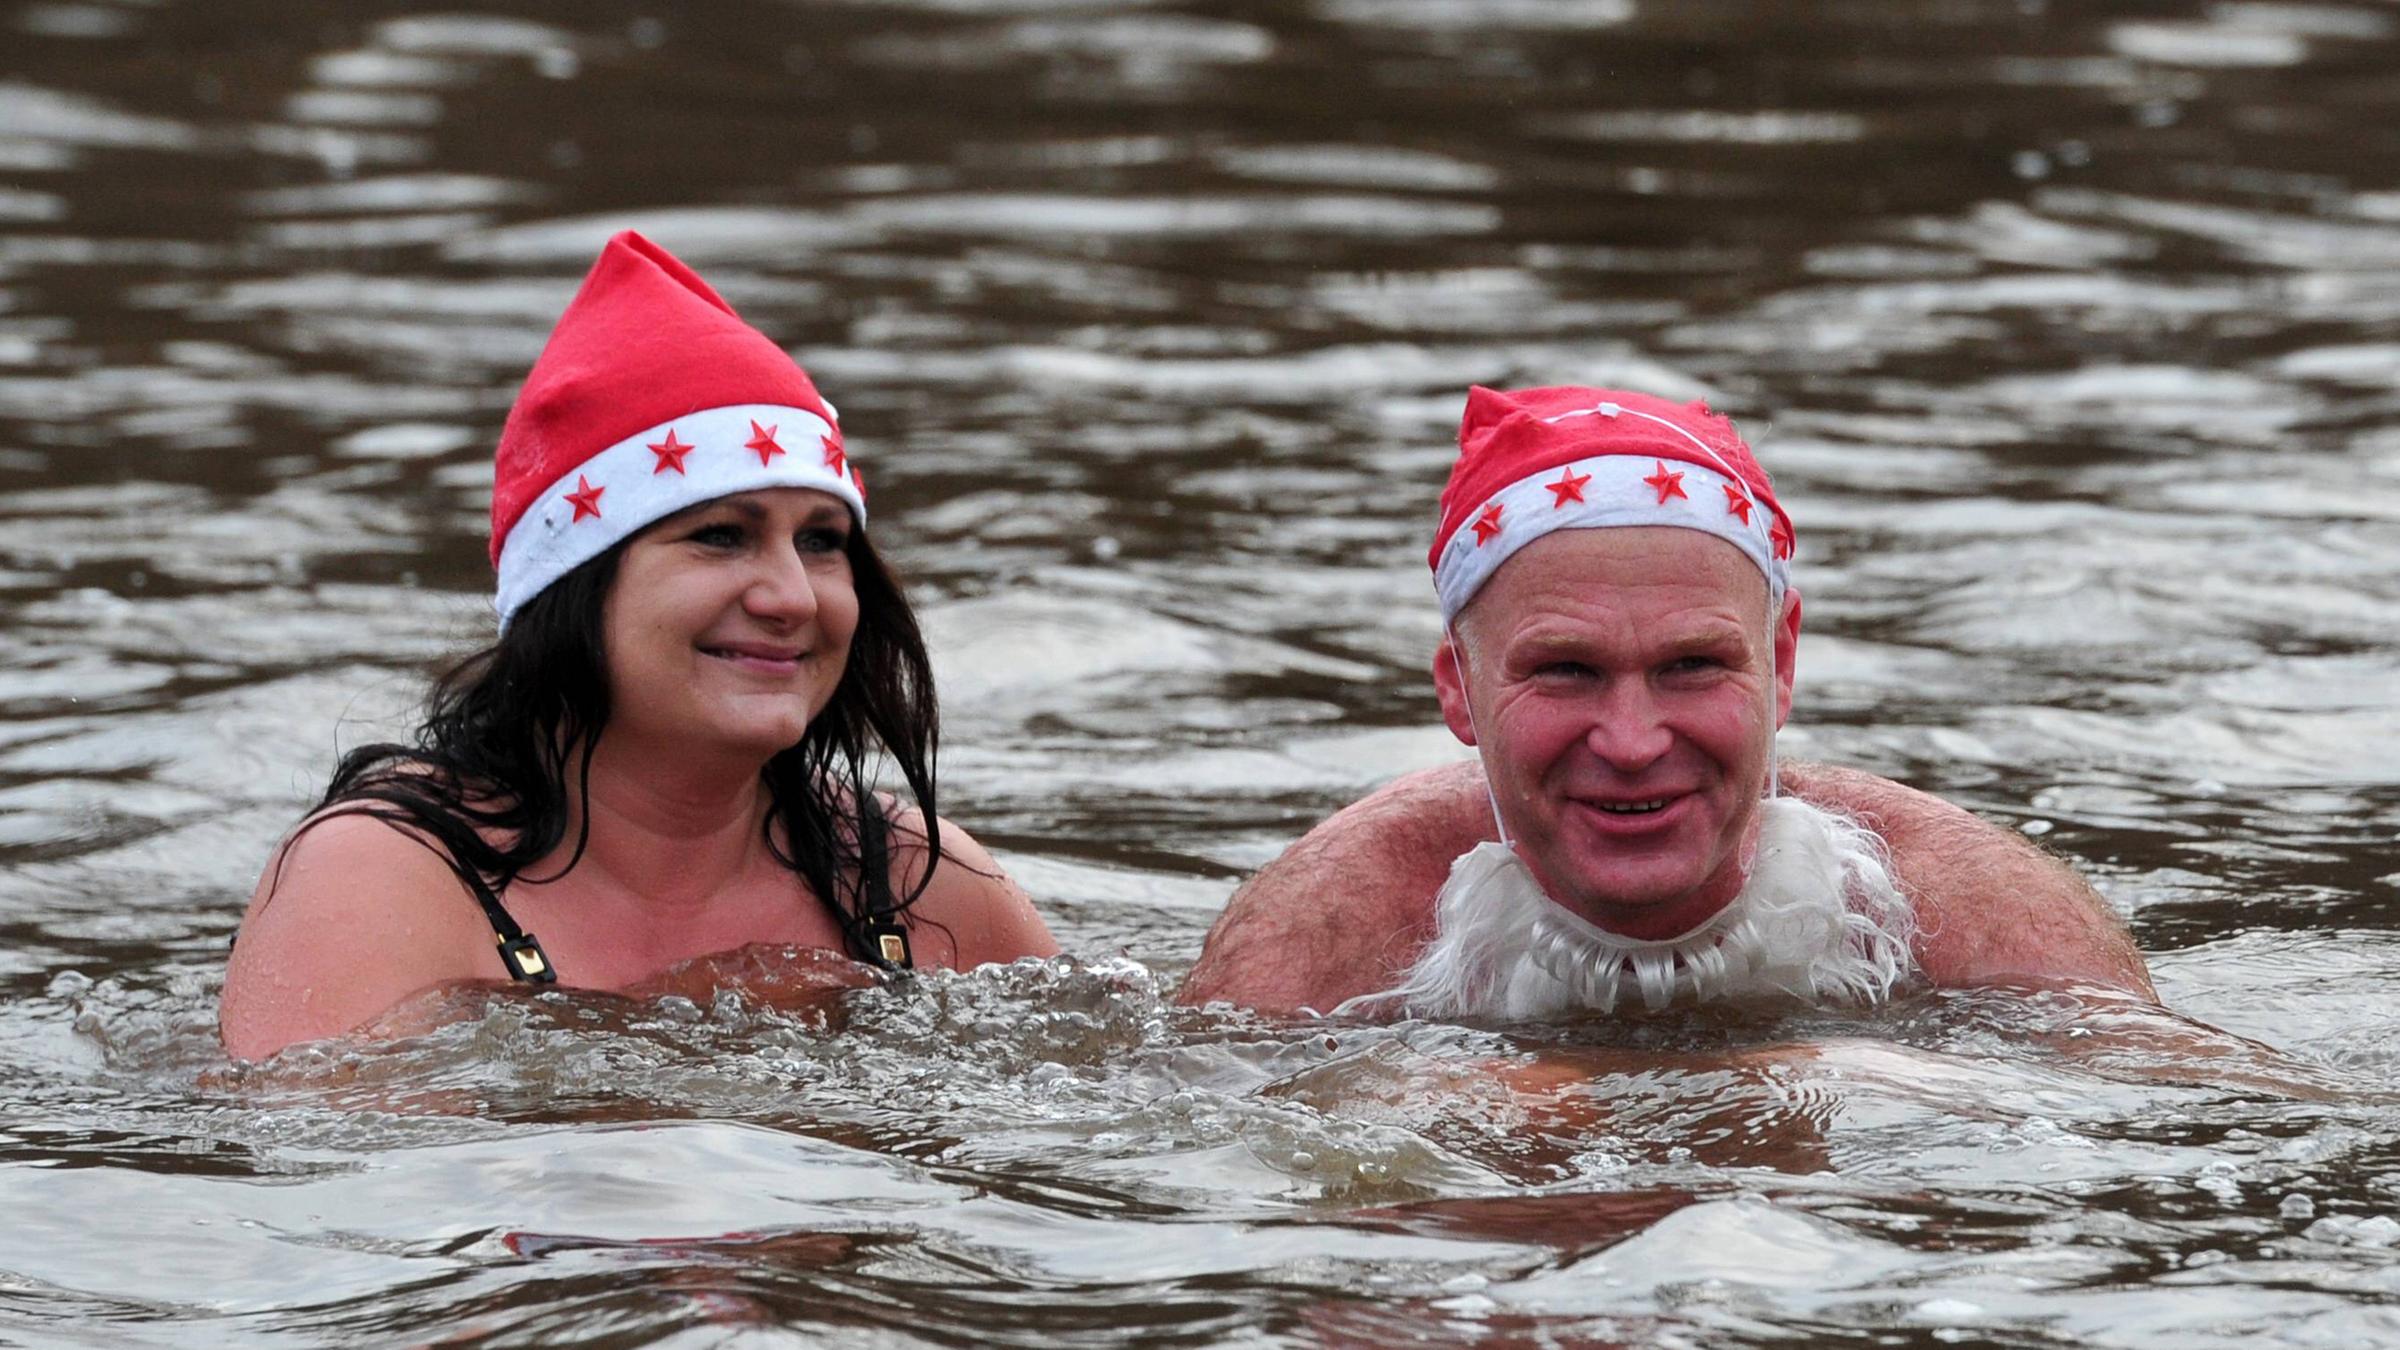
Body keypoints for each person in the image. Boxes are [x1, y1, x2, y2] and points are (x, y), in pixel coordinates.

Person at [221, 232, 1056, 1060]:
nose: (793, 597)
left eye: (822, 541)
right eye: (721, 535)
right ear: (571, 586)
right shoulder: (381, 877)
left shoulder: (918, 884)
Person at [1179, 386, 2153, 1019]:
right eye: (1566, 671)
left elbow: (2174, 1112)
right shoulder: (1327, 937)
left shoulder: (1970, 915)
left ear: (1781, 664)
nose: (1634, 742)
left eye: (1692, 665)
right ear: (1459, 690)